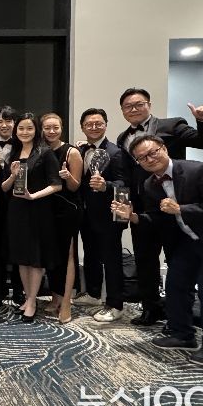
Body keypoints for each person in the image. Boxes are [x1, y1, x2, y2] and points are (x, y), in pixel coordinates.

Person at [113, 135, 203, 366]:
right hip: (186, 242)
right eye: (142, 158)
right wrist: (134, 217)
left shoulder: (200, 171)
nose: (150, 159)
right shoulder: (150, 184)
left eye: (153, 152)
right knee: (176, 286)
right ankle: (182, 334)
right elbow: (158, 218)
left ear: (164, 148)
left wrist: (181, 209)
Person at [115, 87, 203, 326]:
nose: (133, 109)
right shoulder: (122, 138)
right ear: (122, 111)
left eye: (139, 104)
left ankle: (180, 315)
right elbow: (127, 173)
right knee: (145, 260)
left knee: (178, 261)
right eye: (128, 106)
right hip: (141, 209)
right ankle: (151, 308)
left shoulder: (172, 125)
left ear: (149, 105)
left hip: (172, 204)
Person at [1, 113, 62, 323]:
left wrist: (33, 196)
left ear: (36, 130)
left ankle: (33, 301)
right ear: (16, 131)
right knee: (21, 257)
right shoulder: (13, 153)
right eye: (21, 128)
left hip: (38, 210)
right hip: (16, 210)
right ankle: (28, 298)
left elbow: (56, 185)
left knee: (35, 258)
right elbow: (4, 188)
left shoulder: (45, 153)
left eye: (29, 128)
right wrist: (12, 175)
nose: (25, 132)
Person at [74, 108, 129, 323]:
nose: (94, 127)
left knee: (111, 260)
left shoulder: (116, 152)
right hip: (86, 214)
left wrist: (107, 185)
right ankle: (93, 294)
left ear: (106, 124)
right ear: (82, 127)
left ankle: (116, 304)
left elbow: (124, 184)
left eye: (98, 123)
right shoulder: (80, 150)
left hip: (108, 215)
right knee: (90, 255)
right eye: (89, 124)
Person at [40, 113, 83, 324]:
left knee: (68, 256)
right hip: (46, 209)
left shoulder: (71, 152)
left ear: (61, 128)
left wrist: (68, 177)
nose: (51, 131)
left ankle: (66, 302)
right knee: (52, 256)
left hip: (67, 209)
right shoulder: (41, 150)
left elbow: (75, 186)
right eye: (47, 127)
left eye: (55, 127)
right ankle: (55, 297)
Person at [0, 105, 23, 306]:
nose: (4, 125)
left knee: (17, 245)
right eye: (0, 121)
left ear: (14, 123)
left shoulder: (23, 145)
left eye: (8, 121)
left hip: (17, 202)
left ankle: (18, 290)